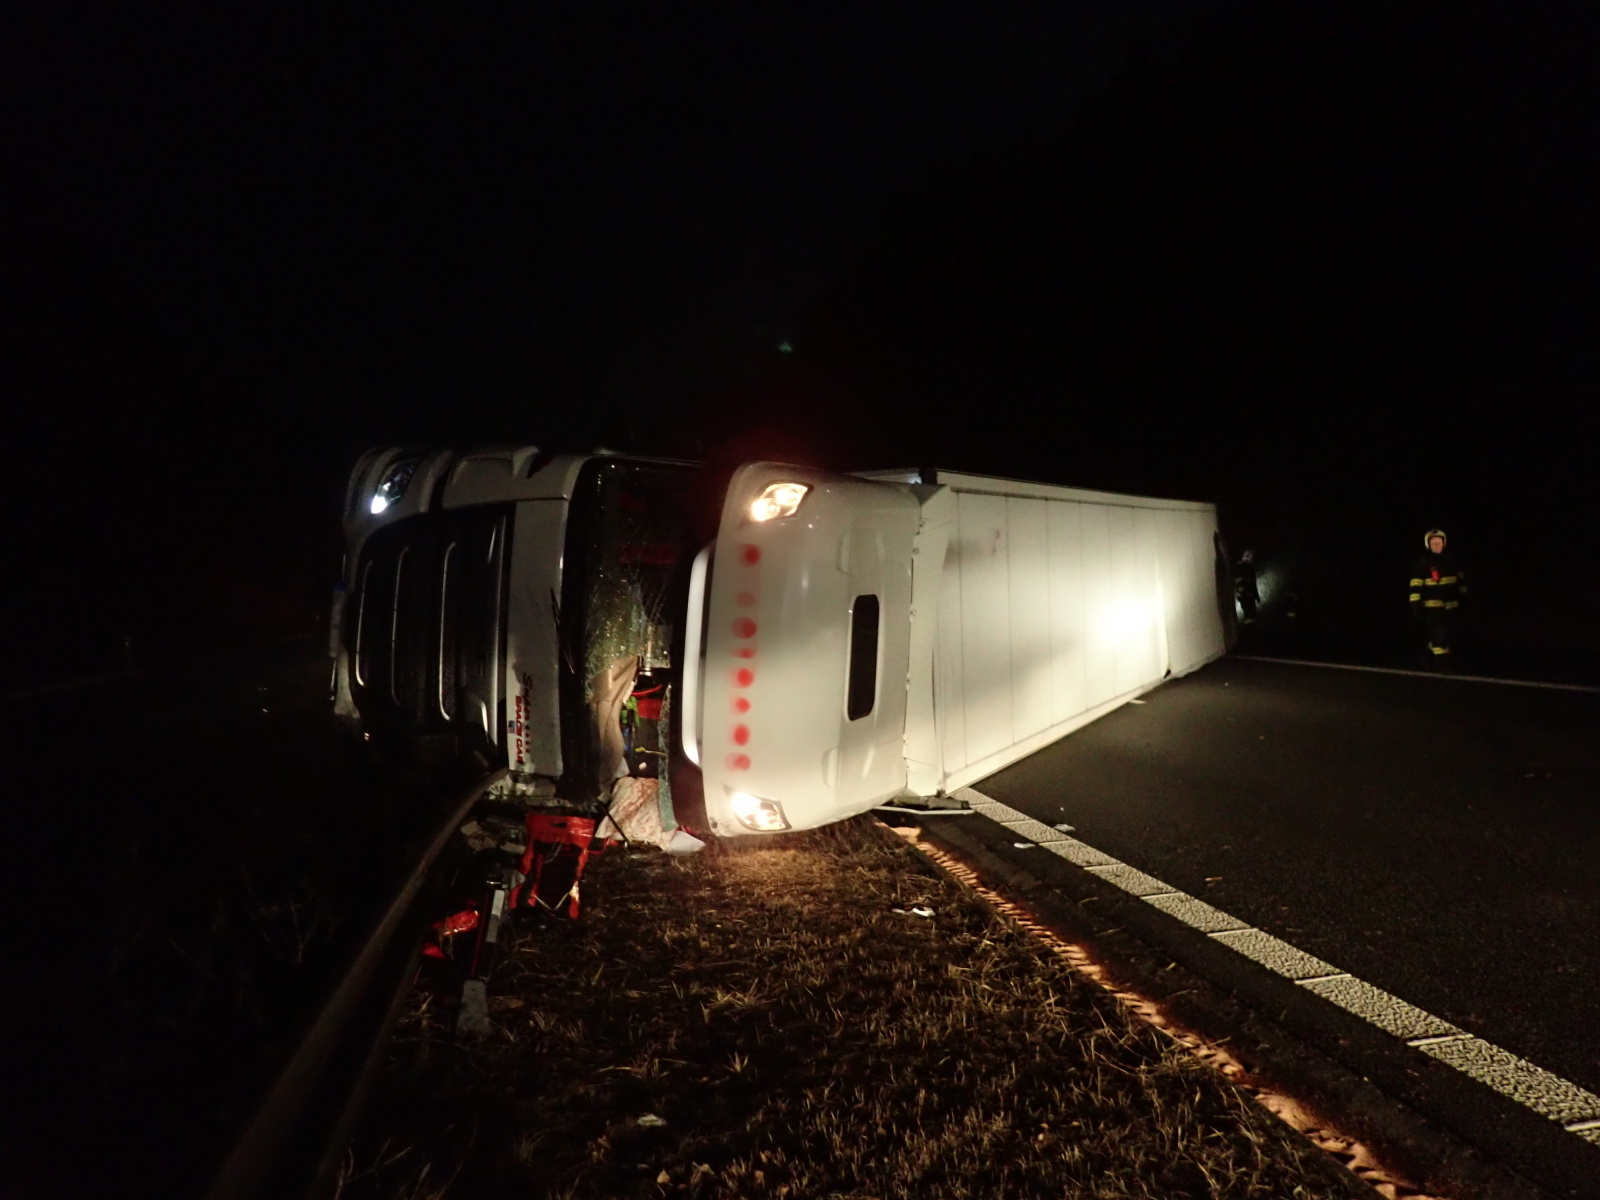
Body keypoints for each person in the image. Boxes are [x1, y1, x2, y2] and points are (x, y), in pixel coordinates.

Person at [1409, 529, 1466, 662]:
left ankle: (1429, 656)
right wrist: (1415, 606)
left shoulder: (1451, 561)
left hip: (1451, 607)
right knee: (1440, 635)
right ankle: (1442, 663)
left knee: (1448, 636)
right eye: (1433, 543)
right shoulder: (1423, 563)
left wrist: (1463, 599)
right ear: (1428, 545)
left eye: (1439, 542)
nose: (1436, 545)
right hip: (1432, 607)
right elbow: (1415, 586)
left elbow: (1461, 582)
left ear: (1443, 543)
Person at [1234, 549, 1260, 623]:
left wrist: (1256, 596)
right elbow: (1238, 580)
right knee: (1247, 610)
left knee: (1251, 611)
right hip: (1244, 594)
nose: (1248, 559)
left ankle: (1250, 621)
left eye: (1250, 557)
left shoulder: (1250, 568)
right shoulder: (1239, 567)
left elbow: (1253, 584)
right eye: (1246, 556)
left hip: (1249, 595)